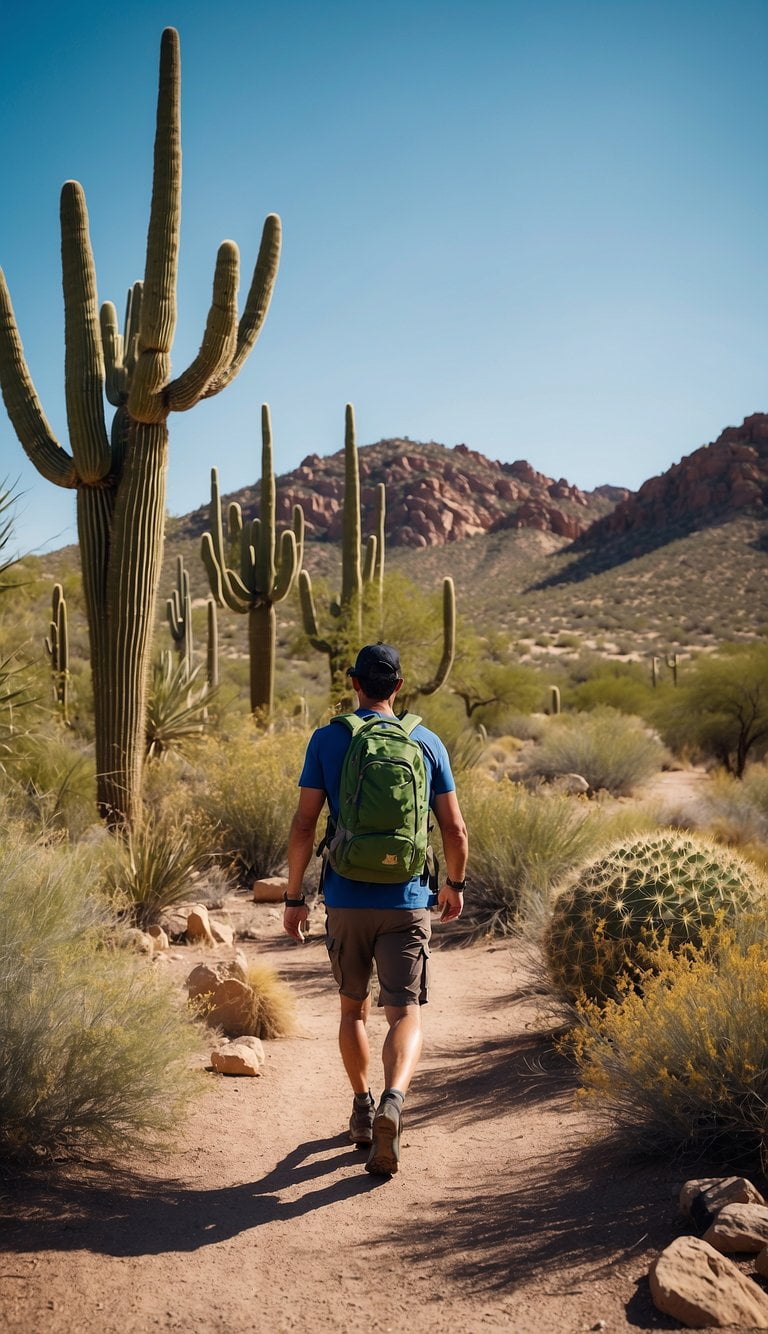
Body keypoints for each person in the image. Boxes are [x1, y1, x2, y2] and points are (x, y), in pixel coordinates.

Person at [283, 642, 469, 1177]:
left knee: (351, 1009)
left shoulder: (328, 738)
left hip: (345, 898)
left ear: (355, 684)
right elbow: (454, 829)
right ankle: (394, 1100)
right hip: (407, 898)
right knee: (405, 1012)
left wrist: (295, 897)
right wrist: (452, 884)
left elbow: (303, 826)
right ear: (400, 686)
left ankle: (362, 1109)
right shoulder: (426, 740)